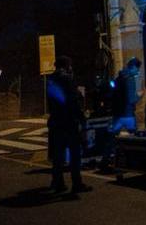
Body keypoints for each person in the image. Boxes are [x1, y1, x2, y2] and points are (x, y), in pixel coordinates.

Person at [47, 55, 90, 195]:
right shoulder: (67, 79)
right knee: (74, 154)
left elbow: (51, 102)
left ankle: (58, 183)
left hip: (56, 121)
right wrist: (82, 119)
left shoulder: (50, 80)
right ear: (67, 66)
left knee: (58, 155)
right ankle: (76, 183)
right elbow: (73, 102)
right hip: (69, 121)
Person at [100, 57, 141, 172]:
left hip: (118, 114)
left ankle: (104, 161)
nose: (138, 72)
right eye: (137, 69)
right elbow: (131, 99)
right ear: (132, 67)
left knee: (112, 138)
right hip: (128, 114)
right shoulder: (130, 79)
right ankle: (135, 162)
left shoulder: (119, 78)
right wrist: (140, 95)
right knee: (136, 139)